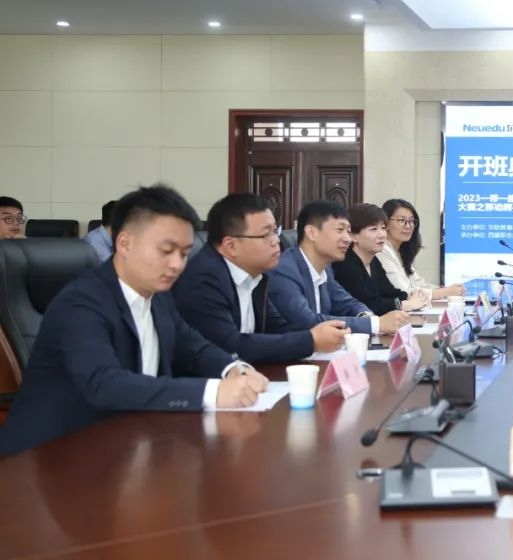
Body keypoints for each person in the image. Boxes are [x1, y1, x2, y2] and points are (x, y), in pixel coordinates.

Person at [0, 185, 269, 456]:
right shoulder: (81, 303)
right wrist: (213, 392)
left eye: (184, 253)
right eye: (166, 250)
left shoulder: (158, 296)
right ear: (125, 243)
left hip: (126, 445)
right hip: (49, 457)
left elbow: (193, 347)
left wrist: (234, 368)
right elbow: (105, 384)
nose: (177, 264)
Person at [173, 193, 351, 364]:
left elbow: (276, 327)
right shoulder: (204, 278)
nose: (276, 241)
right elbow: (230, 345)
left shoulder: (256, 275)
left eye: (275, 231)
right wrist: (310, 340)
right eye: (266, 234)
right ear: (231, 245)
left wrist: (322, 333)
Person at [267, 201, 410, 338]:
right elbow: (309, 322)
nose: (348, 238)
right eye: (340, 230)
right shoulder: (283, 269)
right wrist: (376, 324)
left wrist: (367, 316)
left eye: (348, 231)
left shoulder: (326, 269)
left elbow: (347, 303)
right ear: (311, 233)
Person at [334, 203, 428, 315]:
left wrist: (410, 297)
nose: (382, 235)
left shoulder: (374, 261)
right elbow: (369, 305)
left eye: (383, 228)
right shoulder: (345, 264)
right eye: (374, 229)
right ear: (353, 236)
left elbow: (392, 293)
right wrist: (405, 304)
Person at [377, 198, 467, 301]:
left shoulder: (401, 252)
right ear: (386, 223)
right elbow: (403, 292)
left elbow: (419, 284)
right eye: (402, 220)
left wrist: (446, 289)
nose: (408, 226)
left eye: (411, 221)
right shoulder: (382, 250)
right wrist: (446, 292)